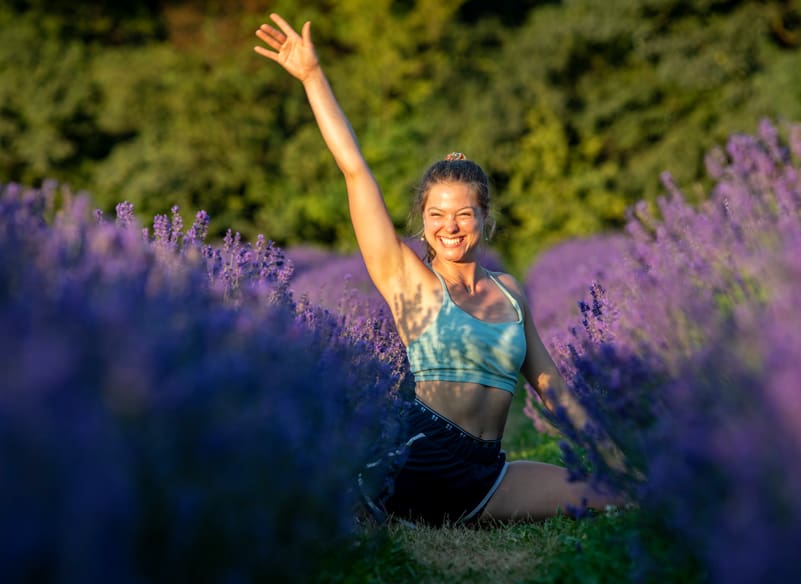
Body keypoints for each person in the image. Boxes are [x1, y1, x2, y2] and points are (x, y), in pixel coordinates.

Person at [254, 13, 619, 525]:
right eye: (436, 215)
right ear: (422, 223)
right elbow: (354, 169)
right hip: (421, 459)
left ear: (485, 220)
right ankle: (354, 497)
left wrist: (614, 459)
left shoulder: (510, 292)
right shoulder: (408, 278)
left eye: (463, 214)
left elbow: (551, 387)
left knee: (619, 495)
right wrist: (313, 77)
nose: (450, 226)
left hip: (487, 474)